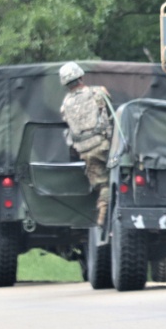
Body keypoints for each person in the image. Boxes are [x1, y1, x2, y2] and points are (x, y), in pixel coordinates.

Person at [59, 62, 113, 227]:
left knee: (102, 183)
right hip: (105, 147)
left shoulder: (65, 105)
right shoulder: (98, 92)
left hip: (85, 151)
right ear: (81, 76)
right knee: (115, 181)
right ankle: (105, 214)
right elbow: (110, 111)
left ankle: (102, 216)